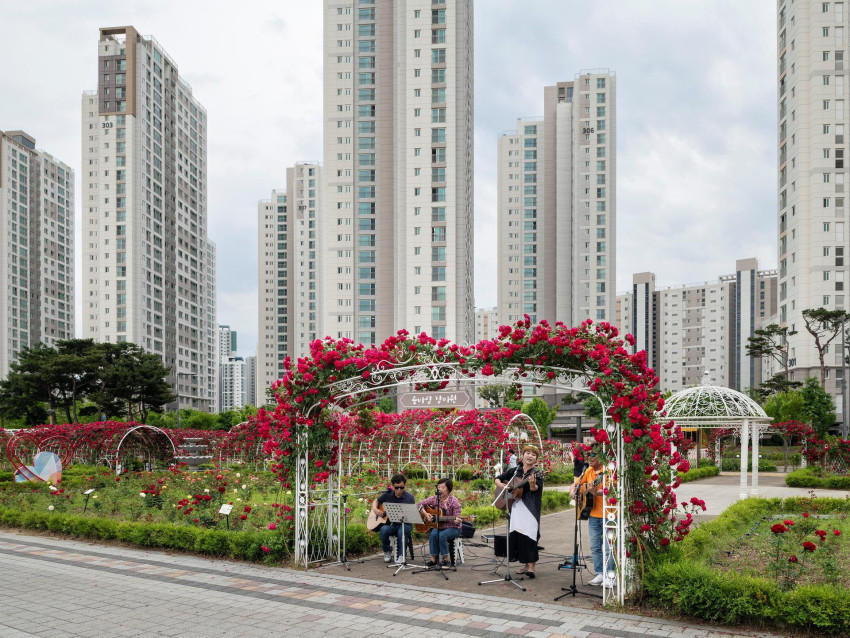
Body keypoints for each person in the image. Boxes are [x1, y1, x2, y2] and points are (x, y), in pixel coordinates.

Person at [495, 444, 544, 578]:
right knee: (519, 535)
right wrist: (503, 486)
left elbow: (535, 489)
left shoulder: (536, 473)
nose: (530, 456)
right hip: (515, 507)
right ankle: (525, 564)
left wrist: (532, 484)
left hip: (530, 508)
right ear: (522, 456)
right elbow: (498, 478)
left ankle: (531, 565)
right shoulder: (515, 470)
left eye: (533, 455)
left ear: (536, 459)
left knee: (530, 535)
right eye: (527, 453)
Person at [577, 453, 615, 588]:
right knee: (594, 547)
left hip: (609, 514)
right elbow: (577, 485)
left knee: (608, 547)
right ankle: (599, 573)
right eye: (588, 456)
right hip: (592, 514)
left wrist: (595, 492)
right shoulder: (588, 470)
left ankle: (611, 575)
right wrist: (575, 493)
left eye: (594, 455)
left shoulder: (609, 470)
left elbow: (611, 490)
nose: (590, 458)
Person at [416, 477, 463, 567]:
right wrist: (426, 514)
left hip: (453, 527)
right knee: (433, 535)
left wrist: (456, 520)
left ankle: (446, 559)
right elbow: (419, 504)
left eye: (442, 487)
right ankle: (433, 559)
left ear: (448, 489)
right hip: (439, 526)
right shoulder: (435, 498)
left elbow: (457, 519)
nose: (440, 489)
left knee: (441, 535)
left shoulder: (454, 502)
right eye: (439, 487)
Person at [371, 474, 415, 563]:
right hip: (391, 524)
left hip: (405, 524)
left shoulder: (410, 497)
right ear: (393, 486)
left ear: (404, 486)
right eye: (397, 487)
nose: (399, 490)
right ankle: (387, 551)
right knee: (384, 529)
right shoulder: (387, 495)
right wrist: (375, 509)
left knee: (401, 531)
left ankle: (401, 555)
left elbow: (412, 514)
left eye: (401, 487)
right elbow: (376, 501)